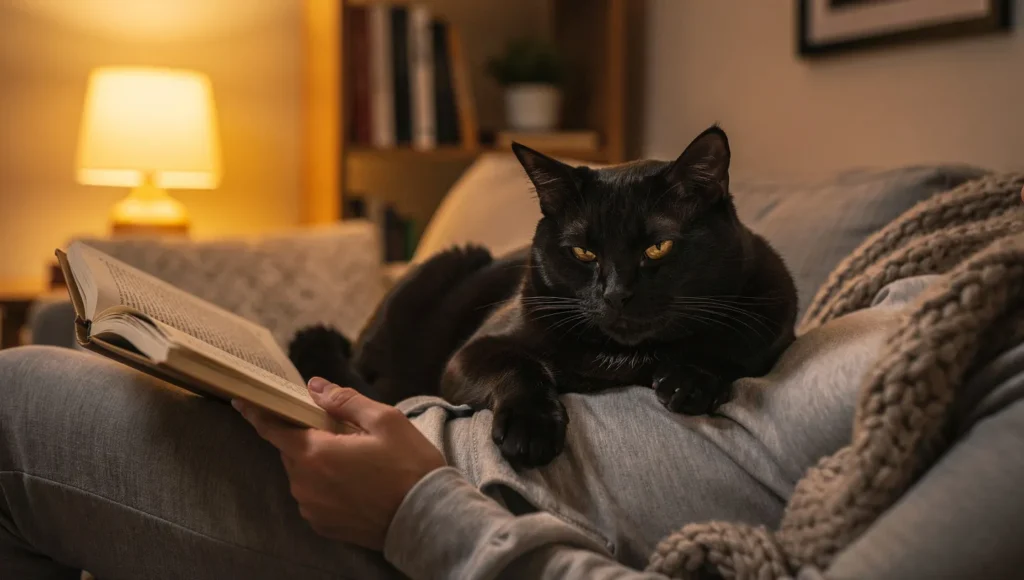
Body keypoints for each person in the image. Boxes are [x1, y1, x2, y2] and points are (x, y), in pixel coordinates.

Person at [2, 274, 1024, 580]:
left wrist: (413, 506)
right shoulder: (969, 264)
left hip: (412, 524)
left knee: (12, 411)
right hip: (417, 442)